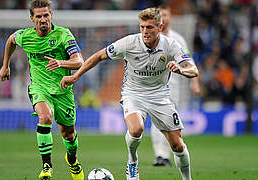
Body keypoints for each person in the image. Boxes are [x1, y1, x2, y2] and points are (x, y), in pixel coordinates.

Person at [60, 7, 199, 180]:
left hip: (160, 96)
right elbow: (98, 56)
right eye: (142, 27)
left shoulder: (171, 45)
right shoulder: (128, 43)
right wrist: (76, 76)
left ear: (160, 27)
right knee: (136, 129)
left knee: (178, 146)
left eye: (149, 27)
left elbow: (193, 69)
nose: (145, 32)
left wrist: (181, 70)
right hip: (134, 94)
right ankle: (132, 161)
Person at [0, 0, 84, 179]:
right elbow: (11, 40)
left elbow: (79, 61)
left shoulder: (63, 35)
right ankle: (47, 166)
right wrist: (5, 65)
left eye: (46, 15)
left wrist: (61, 62)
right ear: (32, 18)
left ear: (51, 15)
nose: (43, 19)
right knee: (45, 117)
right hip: (39, 88)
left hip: (63, 91)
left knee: (68, 134)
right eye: (39, 16)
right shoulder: (26, 36)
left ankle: (72, 160)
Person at [151, 5, 201, 167]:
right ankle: (160, 155)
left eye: (166, 15)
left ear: (170, 17)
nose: (164, 18)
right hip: (154, 86)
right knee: (156, 120)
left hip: (173, 86)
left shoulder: (177, 39)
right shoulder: (150, 38)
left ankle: (169, 153)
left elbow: (188, 61)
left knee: (171, 121)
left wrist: (194, 80)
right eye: (161, 15)